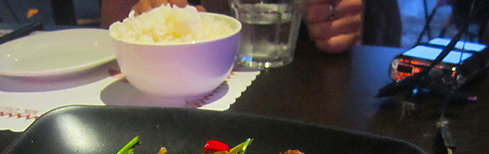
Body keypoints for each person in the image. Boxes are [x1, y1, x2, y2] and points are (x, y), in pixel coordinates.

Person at [101, 0, 402, 53]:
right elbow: (112, 23)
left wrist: (338, 16)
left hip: (314, 70)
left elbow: (380, 28)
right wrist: (145, 12)